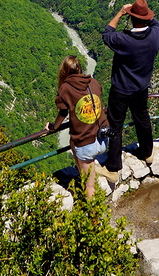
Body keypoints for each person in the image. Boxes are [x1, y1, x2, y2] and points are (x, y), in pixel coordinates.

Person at [94, 0, 159, 184]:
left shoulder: (123, 40)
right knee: (142, 118)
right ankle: (147, 153)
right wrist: (143, 12)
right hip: (141, 88)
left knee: (115, 126)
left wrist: (121, 12)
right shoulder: (156, 36)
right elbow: (156, 23)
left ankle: (113, 168)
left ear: (132, 19)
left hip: (121, 90)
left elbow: (106, 33)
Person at [43, 55, 109, 198]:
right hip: (103, 138)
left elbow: (62, 112)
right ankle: (83, 172)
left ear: (64, 72)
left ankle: (93, 218)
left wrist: (53, 127)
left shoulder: (66, 89)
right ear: (80, 68)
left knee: (90, 186)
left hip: (86, 145)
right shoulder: (93, 81)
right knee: (72, 143)